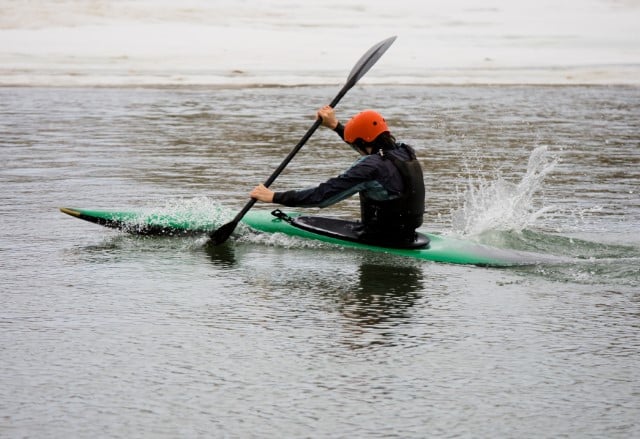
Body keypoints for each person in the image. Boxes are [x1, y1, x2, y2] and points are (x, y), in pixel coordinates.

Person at [250, 105, 425, 246]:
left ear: (362, 143)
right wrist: (335, 126)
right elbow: (368, 146)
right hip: (407, 234)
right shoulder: (405, 150)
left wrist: (274, 197)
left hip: (381, 239)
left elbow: (323, 196)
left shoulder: (368, 168)